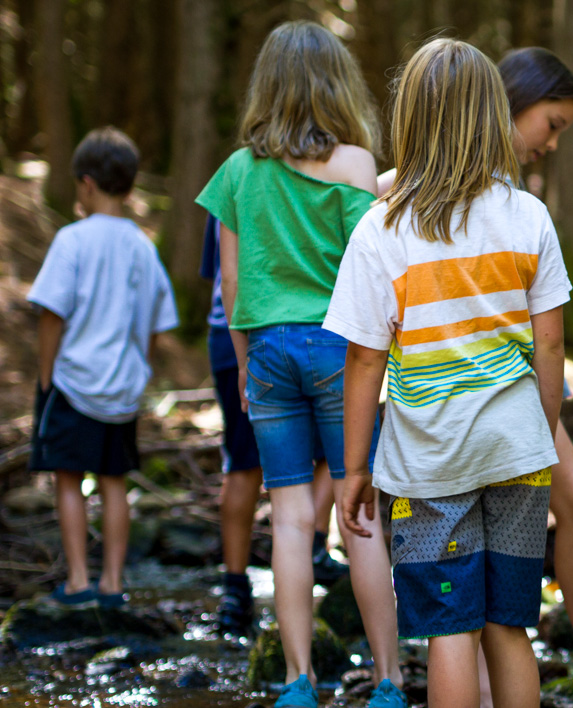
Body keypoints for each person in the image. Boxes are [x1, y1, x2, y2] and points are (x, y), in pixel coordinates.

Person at [378, 47, 573, 708]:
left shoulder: (519, 203)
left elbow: (538, 317)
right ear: (511, 103)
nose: (552, 144)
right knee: (565, 513)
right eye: (551, 124)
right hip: (463, 400)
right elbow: (388, 200)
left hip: (514, 390)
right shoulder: (438, 187)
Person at [331, 38, 569, 708]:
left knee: (450, 630)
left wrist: (355, 468)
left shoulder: (383, 229)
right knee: (509, 626)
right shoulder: (528, 217)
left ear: (411, 120)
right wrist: (540, 433)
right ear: (494, 116)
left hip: (429, 462)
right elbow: (549, 347)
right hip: (518, 451)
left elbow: (364, 358)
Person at [195, 21, 403, 708]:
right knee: (359, 514)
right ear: (336, 86)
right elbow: (373, 275)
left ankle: (295, 683)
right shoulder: (354, 165)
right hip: (339, 350)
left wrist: (250, 370)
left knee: (287, 520)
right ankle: (388, 682)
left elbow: (229, 288)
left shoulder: (235, 172)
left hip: (268, 352)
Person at [28, 127, 179, 609]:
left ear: (87, 183)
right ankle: (113, 582)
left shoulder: (72, 241)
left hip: (72, 381)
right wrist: (142, 368)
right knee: (115, 480)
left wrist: (45, 377)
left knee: (68, 477)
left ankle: (77, 580)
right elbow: (159, 322)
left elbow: (52, 314)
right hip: (122, 388)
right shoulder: (143, 246)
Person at [198, 215, 349, 639]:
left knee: (245, 461)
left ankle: (238, 585)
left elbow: (219, 271)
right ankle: (253, 574)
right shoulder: (310, 165)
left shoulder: (234, 174)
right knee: (320, 452)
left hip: (242, 331)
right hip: (283, 328)